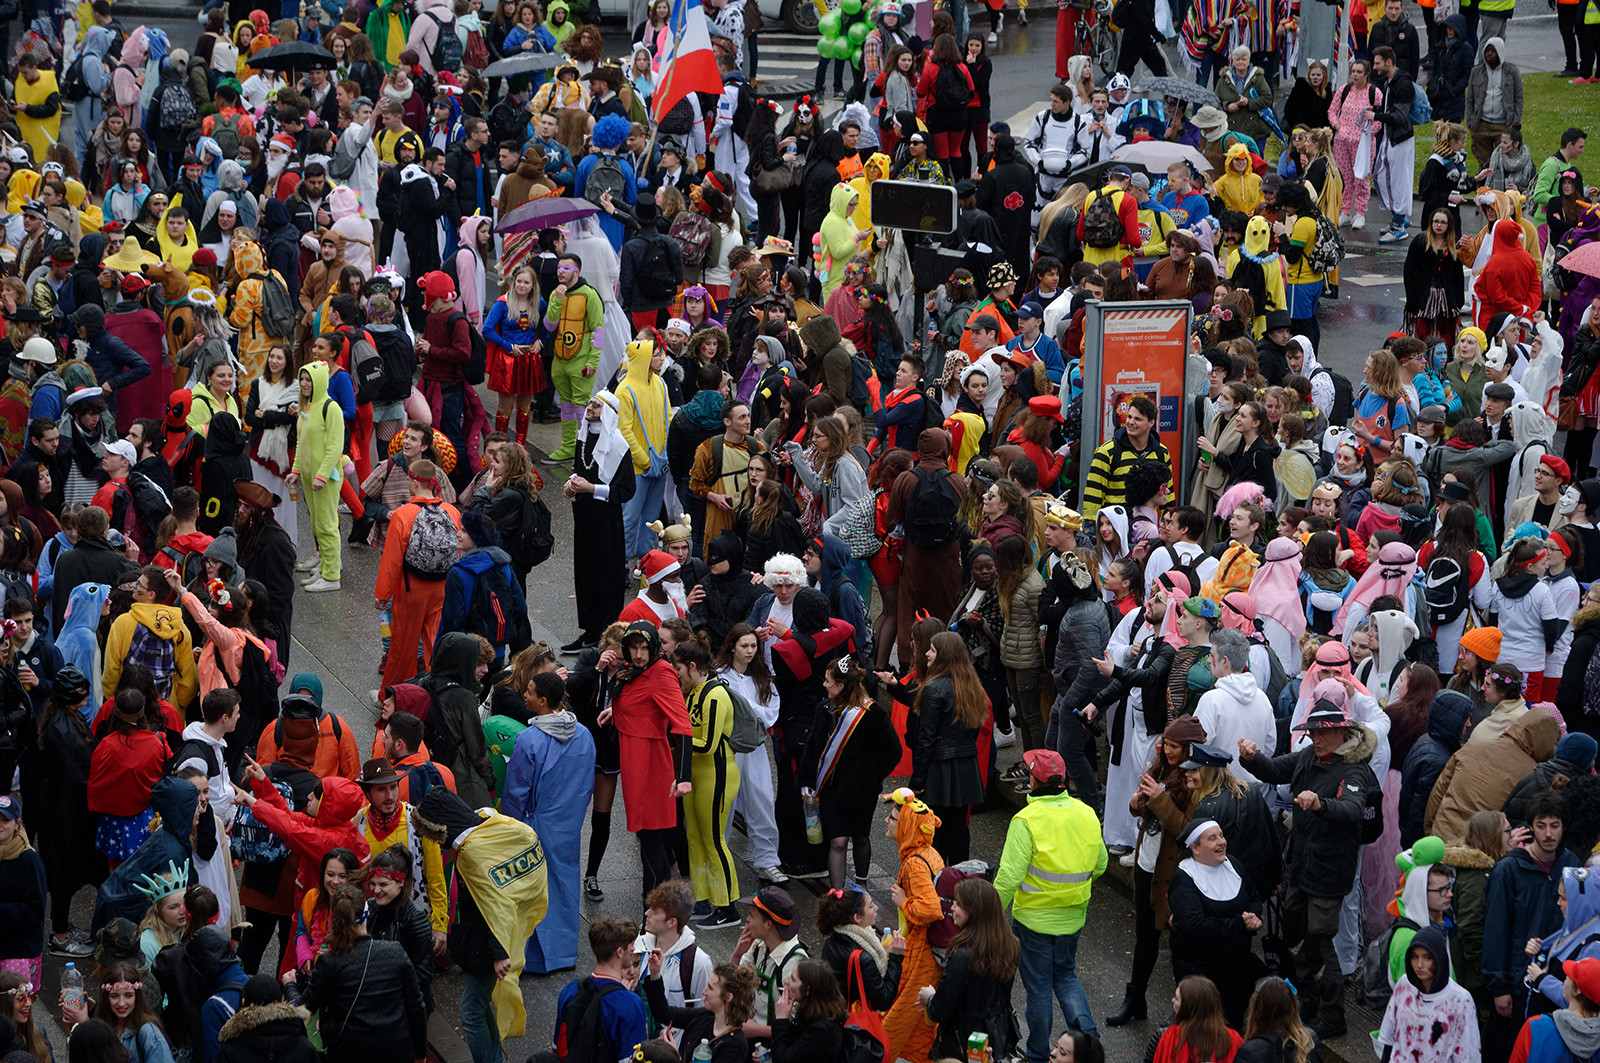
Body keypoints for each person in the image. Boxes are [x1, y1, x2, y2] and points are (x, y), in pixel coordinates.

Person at [1237, 693, 1378, 1039]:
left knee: (1322, 940)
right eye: (1312, 733)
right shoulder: (1306, 757)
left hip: (1330, 873)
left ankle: (1333, 1016)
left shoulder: (1355, 770)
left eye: (1324, 733)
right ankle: (1305, 995)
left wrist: (1321, 805)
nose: (1317, 739)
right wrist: (1253, 758)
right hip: (1299, 866)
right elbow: (1273, 769)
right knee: (1295, 933)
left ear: (1342, 733)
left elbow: (1353, 809)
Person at [415, 787, 549, 1061]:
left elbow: (495, 905)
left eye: (431, 832)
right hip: (495, 937)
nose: (430, 840)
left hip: (491, 943)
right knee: (479, 1006)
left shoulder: (472, 852)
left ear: (441, 827)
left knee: (470, 1013)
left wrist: (499, 953)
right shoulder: (488, 820)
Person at [995, 749, 1107, 1058]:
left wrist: (988, 915)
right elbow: (1100, 865)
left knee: (1040, 989)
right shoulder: (1086, 812)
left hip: (1033, 921)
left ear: (1033, 780)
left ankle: (1038, 1054)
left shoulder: (1026, 820)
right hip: (1073, 917)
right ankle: (1088, 1045)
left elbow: (1009, 876)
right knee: (1066, 977)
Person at [500, 670, 595, 974]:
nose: (524, 695)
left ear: (542, 701)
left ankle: (535, 958)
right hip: (568, 824)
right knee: (565, 886)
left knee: (532, 891)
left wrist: (511, 829)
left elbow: (515, 793)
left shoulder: (528, 740)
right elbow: (586, 784)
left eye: (528, 692)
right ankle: (564, 954)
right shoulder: (583, 734)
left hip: (535, 825)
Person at [280, 884, 426, 1063]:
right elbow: (416, 1006)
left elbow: (303, 1008)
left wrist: (290, 985)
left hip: (348, 1051)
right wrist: (420, 1053)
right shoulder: (395, 951)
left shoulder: (329, 962)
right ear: (367, 914)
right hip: (396, 1049)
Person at [800, 656, 902, 890]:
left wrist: (870, 777)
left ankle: (862, 887)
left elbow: (893, 751)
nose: (824, 685)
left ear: (841, 684)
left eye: (828, 681)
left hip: (860, 791)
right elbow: (813, 747)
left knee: (860, 837)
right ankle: (837, 895)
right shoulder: (824, 709)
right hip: (831, 788)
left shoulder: (872, 712)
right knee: (837, 841)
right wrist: (806, 779)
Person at [1167, 820, 1265, 1029]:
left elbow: (1254, 896)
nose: (1221, 842)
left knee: (1233, 1024)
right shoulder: (1184, 879)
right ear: (1195, 848)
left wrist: (1254, 916)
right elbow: (1196, 926)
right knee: (1203, 1027)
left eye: (1221, 835)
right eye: (1212, 838)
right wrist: (1241, 924)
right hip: (1201, 973)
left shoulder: (1234, 865)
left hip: (1236, 968)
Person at [564, 391, 636, 652]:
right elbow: (578, 469)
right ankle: (589, 630)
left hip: (607, 521)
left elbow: (626, 491)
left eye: (596, 404)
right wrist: (570, 485)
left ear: (606, 411)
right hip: (584, 516)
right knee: (585, 573)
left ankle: (606, 631)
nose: (590, 407)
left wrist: (592, 489)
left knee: (606, 575)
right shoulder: (583, 438)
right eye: (590, 403)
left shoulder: (618, 445)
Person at [918, 878, 1021, 1060]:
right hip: (992, 1038)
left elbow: (939, 1011)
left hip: (960, 1043)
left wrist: (929, 998)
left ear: (972, 912)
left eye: (958, 904)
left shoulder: (962, 956)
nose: (953, 909)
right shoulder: (1009, 946)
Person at [909, 631, 988, 864]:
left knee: (937, 831)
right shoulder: (971, 684)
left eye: (932, 650)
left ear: (944, 655)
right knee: (959, 829)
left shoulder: (934, 689)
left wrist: (917, 780)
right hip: (965, 766)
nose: (927, 654)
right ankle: (959, 880)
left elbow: (926, 739)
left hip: (940, 770)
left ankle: (938, 881)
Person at [553, 916, 649, 1062]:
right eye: (631, 947)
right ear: (619, 952)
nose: (634, 950)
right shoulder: (630, 1003)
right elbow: (633, 1059)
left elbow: (557, 1047)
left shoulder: (570, 990)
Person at [1377, 925, 1479, 1063]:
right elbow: (1389, 1039)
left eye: (1427, 958)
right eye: (1414, 957)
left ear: (1439, 958)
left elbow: (1467, 1054)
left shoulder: (1460, 1000)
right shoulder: (1404, 985)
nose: (1419, 965)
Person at [642, 953, 756, 1063]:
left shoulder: (735, 1045)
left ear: (728, 997)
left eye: (710, 988)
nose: (704, 992)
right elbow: (664, 1013)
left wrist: (675, 1057)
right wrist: (655, 974)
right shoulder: (705, 1016)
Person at [769, 958, 847, 1063]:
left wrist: (781, 1019)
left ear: (807, 990)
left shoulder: (821, 1030)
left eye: (793, 979)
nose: (786, 981)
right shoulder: (809, 1011)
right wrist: (774, 1051)